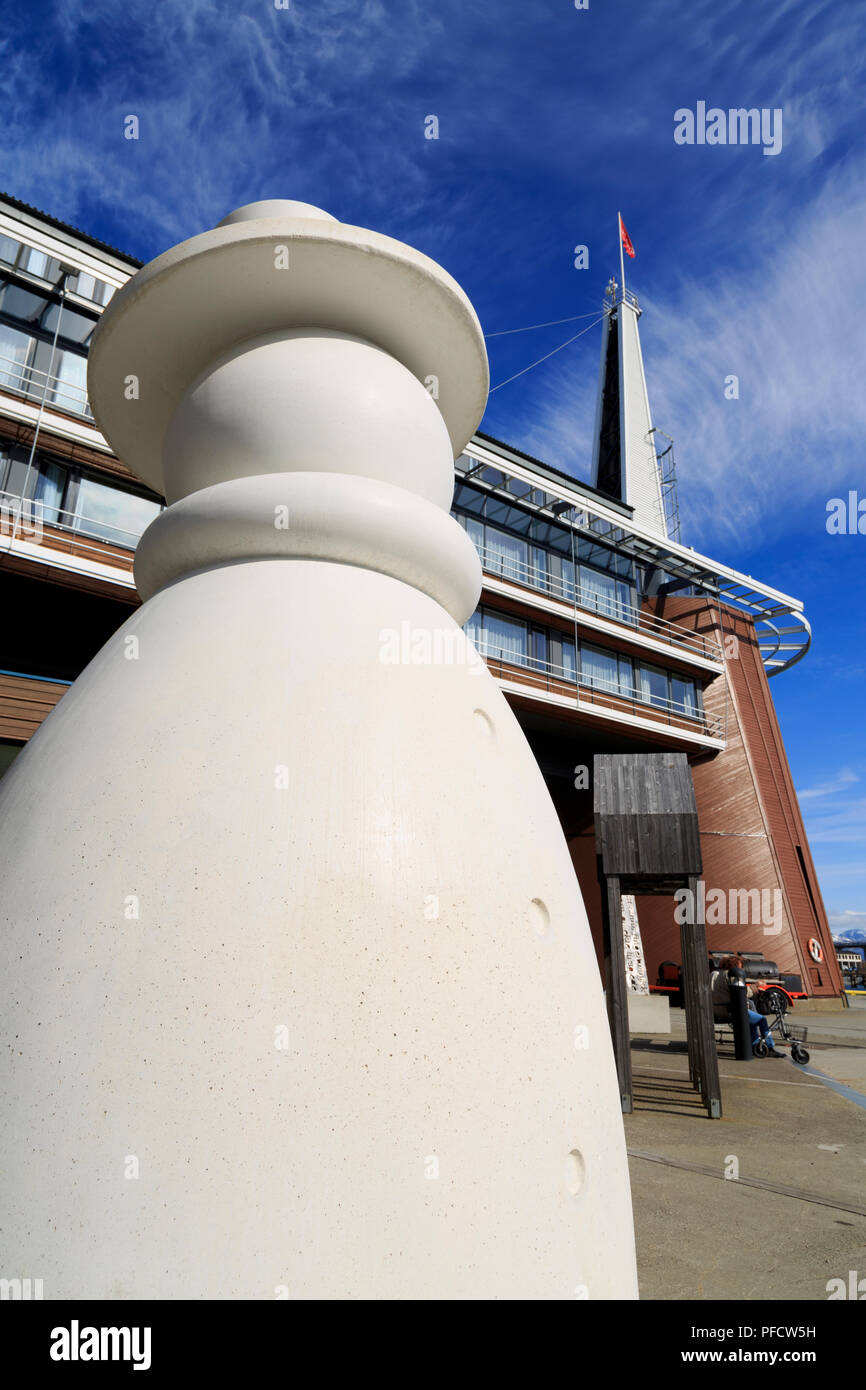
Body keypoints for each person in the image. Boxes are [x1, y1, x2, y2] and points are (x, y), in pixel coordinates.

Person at [710, 955, 784, 1056]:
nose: (741, 969)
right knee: (762, 1019)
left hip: (715, 1010)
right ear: (735, 966)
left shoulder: (713, 974)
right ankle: (770, 1047)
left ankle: (754, 1045)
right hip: (731, 1011)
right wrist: (756, 986)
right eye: (740, 967)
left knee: (752, 1019)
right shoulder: (731, 975)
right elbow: (740, 994)